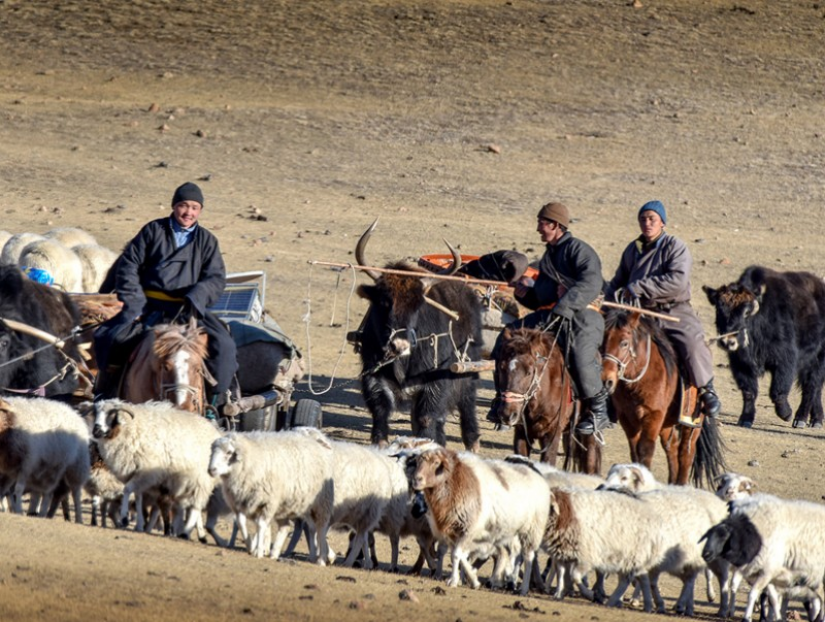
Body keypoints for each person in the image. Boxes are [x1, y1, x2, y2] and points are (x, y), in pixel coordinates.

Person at [93, 182, 238, 413]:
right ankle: (105, 392)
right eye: (183, 206)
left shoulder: (207, 240)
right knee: (111, 337)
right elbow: (129, 265)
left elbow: (215, 277)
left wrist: (197, 296)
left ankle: (215, 402)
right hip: (149, 306)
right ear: (174, 206)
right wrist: (135, 301)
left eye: (194, 208)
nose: (188, 212)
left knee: (224, 346)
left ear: (200, 211)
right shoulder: (153, 231)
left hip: (189, 309)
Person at [488, 202, 610, 436]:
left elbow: (591, 283)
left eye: (542, 223)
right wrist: (526, 294)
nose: (538, 228)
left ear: (555, 225)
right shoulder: (549, 256)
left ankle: (599, 408)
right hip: (553, 315)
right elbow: (543, 295)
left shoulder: (579, 250)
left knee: (580, 355)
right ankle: (501, 398)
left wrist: (565, 303)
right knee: (507, 339)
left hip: (583, 316)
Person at [604, 200, 721, 417]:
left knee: (692, 342)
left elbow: (677, 281)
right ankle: (604, 399)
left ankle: (706, 389)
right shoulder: (632, 250)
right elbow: (618, 280)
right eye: (643, 219)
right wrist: (608, 301)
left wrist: (639, 287)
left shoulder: (675, 247)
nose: (647, 223)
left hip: (673, 310)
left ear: (662, 223)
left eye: (652, 219)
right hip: (640, 313)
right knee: (612, 342)